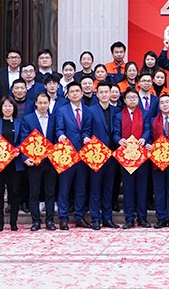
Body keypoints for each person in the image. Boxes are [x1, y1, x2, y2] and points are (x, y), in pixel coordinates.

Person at [55, 82, 93, 230]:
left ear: (82, 93)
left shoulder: (88, 111)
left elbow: (87, 130)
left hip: (83, 154)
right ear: (68, 95)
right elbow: (58, 129)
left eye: (77, 91)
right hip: (67, 154)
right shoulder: (62, 111)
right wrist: (60, 135)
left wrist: (86, 137)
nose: (75, 94)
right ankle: (63, 218)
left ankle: (80, 217)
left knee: (81, 188)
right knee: (64, 187)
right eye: (72, 91)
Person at [84, 83, 121, 230]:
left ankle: (107, 218)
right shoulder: (90, 110)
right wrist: (85, 138)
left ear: (111, 93)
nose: (105, 94)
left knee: (108, 188)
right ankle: (95, 218)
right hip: (96, 154)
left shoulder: (116, 110)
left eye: (107, 92)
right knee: (95, 188)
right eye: (102, 92)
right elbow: (86, 130)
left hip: (112, 155)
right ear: (97, 94)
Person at [21, 92, 58, 231]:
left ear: (49, 103)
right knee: (34, 192)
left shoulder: (54, 118)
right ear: (36, 103)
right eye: (40, 103)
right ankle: (36, 221)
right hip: (34, 162)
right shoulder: (28, 119)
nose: (43, 105)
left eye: (45, 103)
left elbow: (57, 137)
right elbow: (24, 139)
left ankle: (50, 220)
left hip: (50, 161)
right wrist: (25, 158)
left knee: (50, 192)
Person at [0, 96, 25, 231]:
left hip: (15, 162)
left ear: (14, 108)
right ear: (1, 108)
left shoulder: (19, 123)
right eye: (5, 106)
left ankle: (13, 222)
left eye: (10, 106)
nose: (7, 108)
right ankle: (0, 222)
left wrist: (18, 149)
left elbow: (23, 140)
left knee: (14, 192)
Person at [117, 88, 151, 228]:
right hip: (126, 156)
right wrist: (118, 140)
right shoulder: (119, 115)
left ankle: (142, 218)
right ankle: (129, 218)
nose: (132, 100)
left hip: (141, 155)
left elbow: (148, 129)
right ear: (125, 100)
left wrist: (144, 138)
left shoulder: (145, 114)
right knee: (128, 188)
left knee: (142, 188)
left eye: (134, 97)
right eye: (129, 98)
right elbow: (115, 132)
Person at [148, 94, 169, 229]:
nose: (165, 105)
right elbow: (149, 136)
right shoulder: (153, 121)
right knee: (159, 190)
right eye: (162, 103)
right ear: (159, 106)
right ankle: (161, 218)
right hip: (157, 160)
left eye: (167, 102)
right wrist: (149, 145)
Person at [0, 49, 21, 114]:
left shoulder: (24, 72)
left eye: (16, 57)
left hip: (20, 107)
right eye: (11, 58)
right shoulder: (0, 72)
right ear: (7, 60)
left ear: (20, 59)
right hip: (3, 108)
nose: (14, 60)